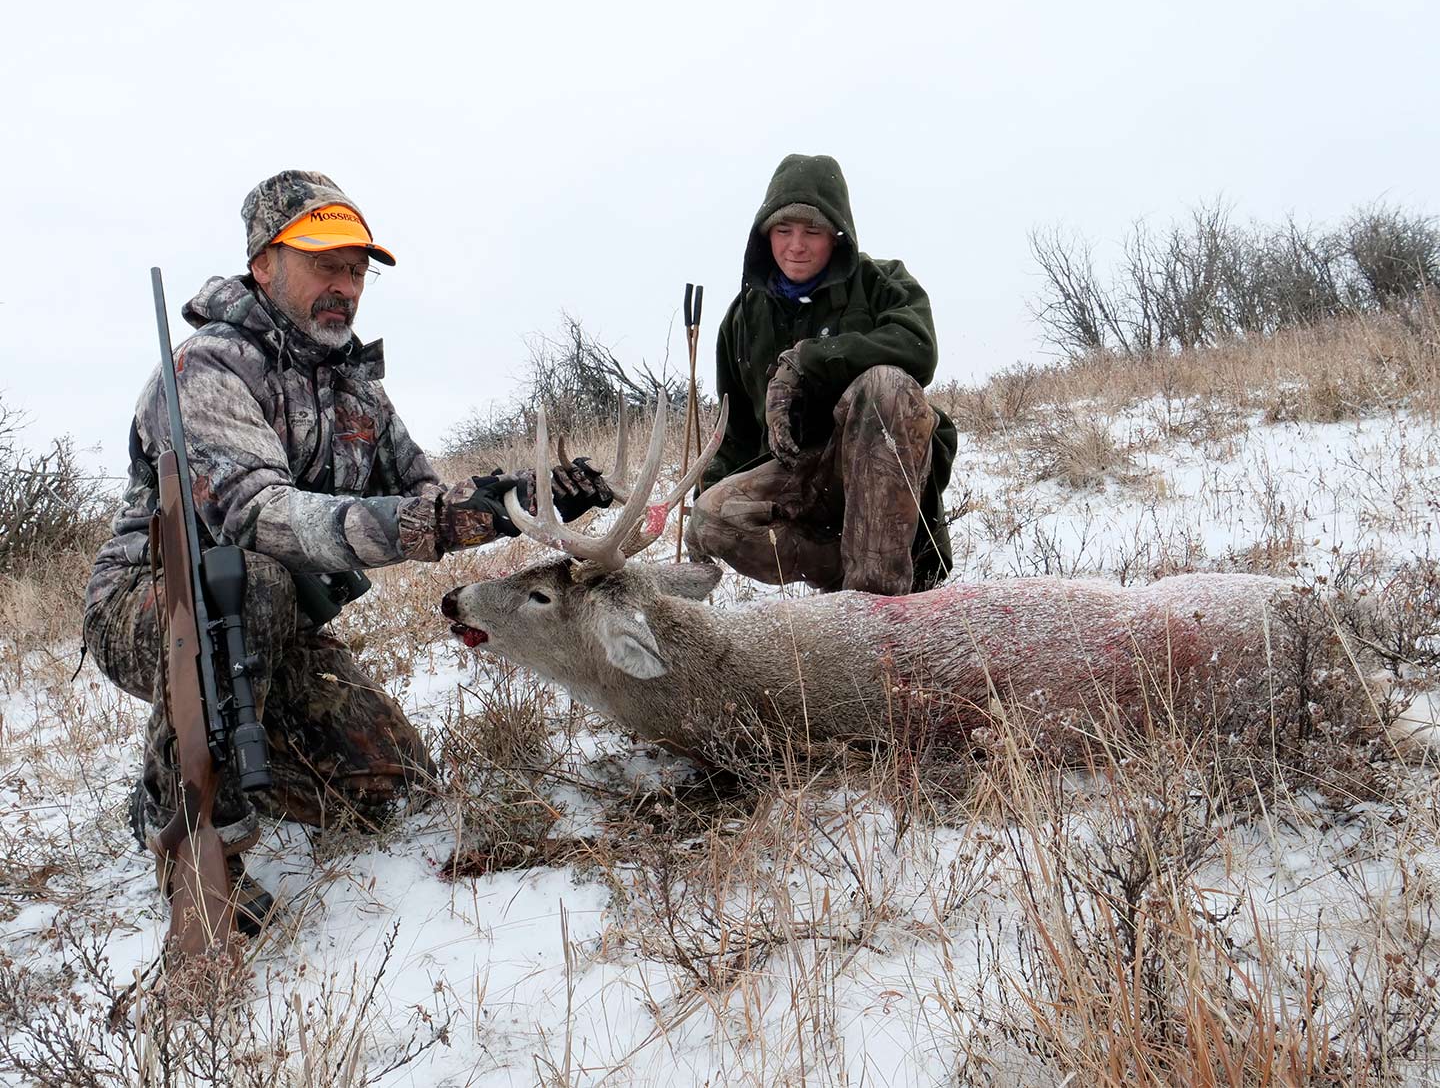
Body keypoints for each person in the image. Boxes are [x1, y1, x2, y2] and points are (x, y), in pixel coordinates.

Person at [82, 169, 607, 933]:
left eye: (357, 269)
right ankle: (182, 812)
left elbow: (427, 490)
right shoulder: (207, 369)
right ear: (265, 264)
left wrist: (528, 499)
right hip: (161, 604)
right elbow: (263, 517)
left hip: (277, 616)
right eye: (325, 263)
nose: (346, 285)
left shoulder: (356, 384)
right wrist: (437, 522)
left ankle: (249, 741)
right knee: (248, 580)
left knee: (392, 790)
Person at [687, 154, 957, 596]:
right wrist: (702, 505)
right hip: (797, 479)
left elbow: (919, 347)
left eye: (812, 231)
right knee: (710, 515)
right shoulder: (740, 319)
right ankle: (849, 577)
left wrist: (808, 361)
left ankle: (881, 608)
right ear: (764, 236)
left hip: (880, 467)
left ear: (837, 235)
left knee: (886, 385)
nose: (796, 245)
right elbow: (735, 434)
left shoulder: (882, 282)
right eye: (783, 231)